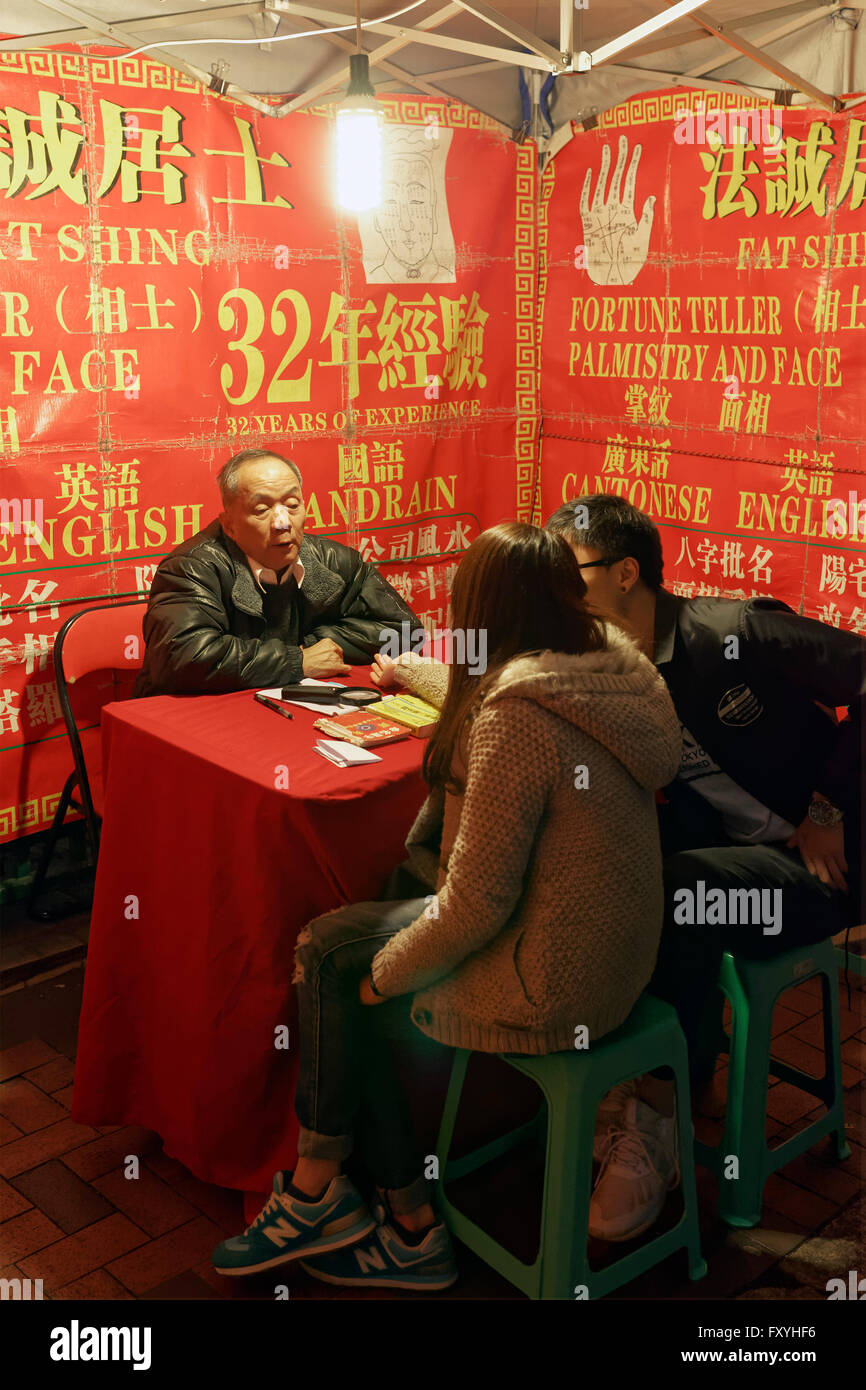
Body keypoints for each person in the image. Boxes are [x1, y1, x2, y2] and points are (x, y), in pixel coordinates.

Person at [211, 522, 682, 1289]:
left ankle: (394, 1219)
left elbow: (473, 908)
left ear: (477, 611)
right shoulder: (610, 664)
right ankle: (332, 1190)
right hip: (622, 951)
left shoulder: (512, 720)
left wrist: (388, 977)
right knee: (349, 945)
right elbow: (507, 691)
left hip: (552, 976)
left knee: (341, 971)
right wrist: (420, 678)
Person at [546, 493, 865, 1242]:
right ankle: (677, 1073)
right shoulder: (604, 664)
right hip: (734, 860)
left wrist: (829, 808)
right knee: (621, 869)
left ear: (626, 573)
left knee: (677, 890)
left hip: (827, 867)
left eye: (570, 574)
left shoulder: (730, 631)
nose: (556, 592)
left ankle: (657, 1116)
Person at [133, 448, 421, 697]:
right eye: (262, 509)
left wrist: (310, 646)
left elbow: (407, 632)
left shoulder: (335, 561)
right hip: (194, 721)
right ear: (229, 524)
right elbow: (183, 656)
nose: (283, 522)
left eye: (292, 505)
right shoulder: (191, 567)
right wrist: (297, 661)